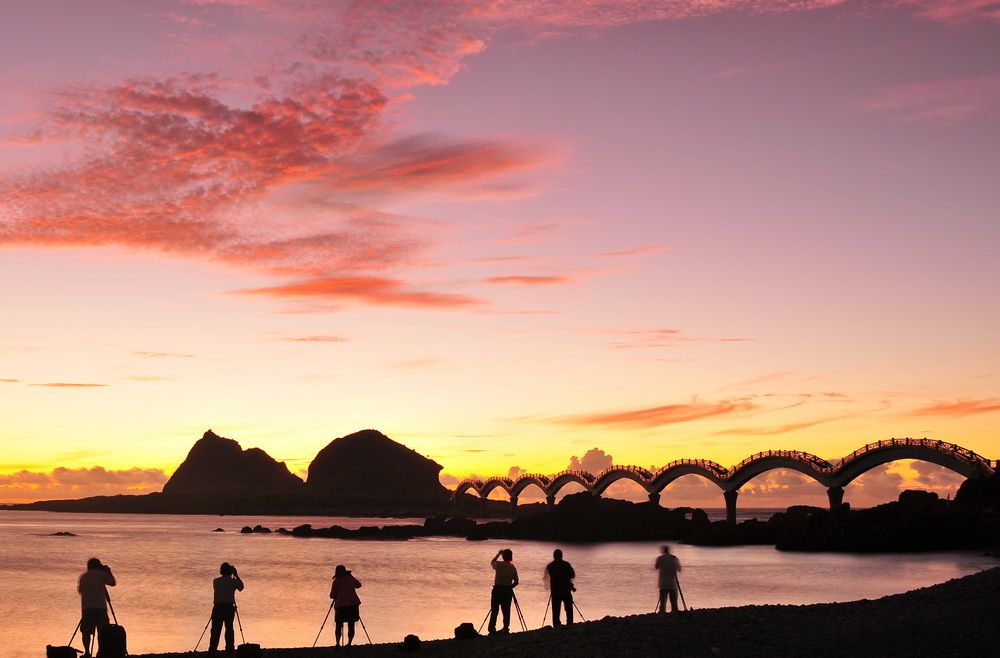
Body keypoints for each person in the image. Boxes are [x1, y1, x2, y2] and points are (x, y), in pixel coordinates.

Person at [78, 557, 116, 658]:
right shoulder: (102, 574)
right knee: (103, 632)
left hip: (87, 608)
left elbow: (80, 591)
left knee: (86, 632)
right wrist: (108, 572)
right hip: (100, 608)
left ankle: (87, 652)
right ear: (98, 566)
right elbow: (113, 582)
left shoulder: (83, 577)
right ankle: (101, 652)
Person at [209, 562, 244, 655]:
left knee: (215, 630)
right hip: (228, 608)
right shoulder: (232, 581)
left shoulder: (215, 581)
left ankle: (212, 651)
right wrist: (236, 575)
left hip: (217, 608)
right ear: (230, 572)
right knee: (229, 629)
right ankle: (229, 650)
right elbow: (241, 587)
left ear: (221, 571)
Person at [330, 564, 362, 646]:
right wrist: (351, 577)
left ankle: (337, 643)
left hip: (341, 606)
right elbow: (358, 585)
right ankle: (349, 643)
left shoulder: (336, 581)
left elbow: (332, 595)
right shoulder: (350, 578)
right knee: (351, 624)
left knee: (338, 624)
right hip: (353, 604)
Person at [488, 549, 519, 635]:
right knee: (506, 611)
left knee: (494, 610)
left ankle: (492, 629)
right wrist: (509, 587)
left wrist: (498, 554)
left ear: (503, 556)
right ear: (511, 557)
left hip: (497, 590)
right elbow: (516, 582)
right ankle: (505, 628)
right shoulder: (512, 568)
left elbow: (492, 562)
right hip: (507, 591)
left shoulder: (498, 565)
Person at [545, 549, 576, 626]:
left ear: (554, 556)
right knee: (569, 609)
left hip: (555, 592)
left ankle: (556, 625)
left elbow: (547, 576)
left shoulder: (550, 566)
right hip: (566, 590)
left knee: (556, 610)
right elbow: (572, 575)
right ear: (561, 556)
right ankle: (570, 624)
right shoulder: (566, 565)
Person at [655, 545, 682, 613]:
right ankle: (674, 611)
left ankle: (662, 612)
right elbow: (679, 569)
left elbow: (656, 567)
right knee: (673, 600)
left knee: (663, 600)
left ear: (663, 551)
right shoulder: (673, 558)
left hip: (663, 583)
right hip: (672, 583)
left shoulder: (660, 558)